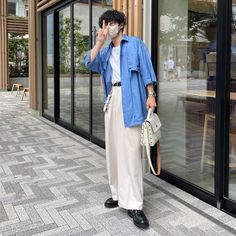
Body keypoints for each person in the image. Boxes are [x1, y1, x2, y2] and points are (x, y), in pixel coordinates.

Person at [84, 10, 157, 229]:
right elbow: (89, 62)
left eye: (112, 23)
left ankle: (135, 204)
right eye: (105, 24)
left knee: (131, 153)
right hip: (112, 100)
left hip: (132, 99)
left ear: (122, 24)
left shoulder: (135, 44)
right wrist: (99, 42)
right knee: (114, 151)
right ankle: (117, 194)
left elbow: (146, 70)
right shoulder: (105, 52)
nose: (109, 27)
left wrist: (151, 95)